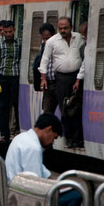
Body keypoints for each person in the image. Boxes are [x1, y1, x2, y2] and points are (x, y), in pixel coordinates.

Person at [5, 113, 82, 206]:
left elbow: (42, 173)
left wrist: (57, 184)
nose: (52, 142)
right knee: (77, 194)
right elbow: (36, 187)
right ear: (48, 129)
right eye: (53, 137)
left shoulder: (22, 138)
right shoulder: (33, 148)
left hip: (17, 196)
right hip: (29, 202)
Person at [39, 17, 85, 148]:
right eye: (60, 28)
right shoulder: (52, 42)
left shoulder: (79, 38)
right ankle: (69, 138)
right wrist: (43, 79)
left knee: (77, 108)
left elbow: (85, 56)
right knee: (65, 109)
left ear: (71, 27)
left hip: (76, 77)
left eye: (65, 28)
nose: (63, 30)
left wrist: (78, 79)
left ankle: (78, 138)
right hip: (62, 78)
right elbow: (44, 60)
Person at [0, 20, 21, 143]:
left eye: (10, 32)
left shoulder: (19, 43)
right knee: (4, 105)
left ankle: (17, 128)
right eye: (6, 32)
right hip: (3, 77)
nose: (8, 34)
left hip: (16, 76)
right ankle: (4, 133)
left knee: (16, 103)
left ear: (14, 30)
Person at [33, 23, 58, 114]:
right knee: (47, 111)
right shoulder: (44, 47)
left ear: (54, 34)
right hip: (49, 84)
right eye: (43, 39)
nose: (46, 41)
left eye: (48, 38)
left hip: (61, 82)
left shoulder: (60, 45)